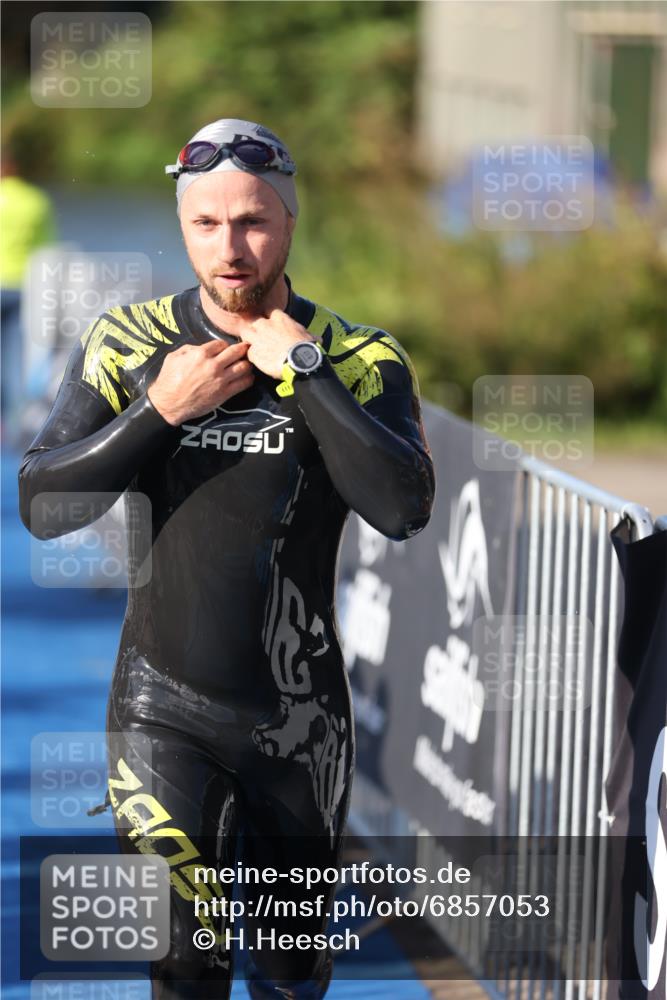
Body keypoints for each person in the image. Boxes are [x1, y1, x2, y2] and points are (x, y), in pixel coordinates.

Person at [18, 118, 436, 999]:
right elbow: (43, 507)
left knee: (291, 974)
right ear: (182, 225)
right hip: (159, 710)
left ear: (289, 220)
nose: (230, 248)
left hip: (301, 722)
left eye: (252, 221)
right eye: (205, 224)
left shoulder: (359, 357)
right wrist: (158, 413)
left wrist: (307, 372)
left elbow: (403, 507)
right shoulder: (128, 343)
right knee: (185, 967)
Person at [0, 151, 56, 444]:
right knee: (14, 359)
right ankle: (12, 428)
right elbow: (48, 248)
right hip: (25, 286)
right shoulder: (36, 201)